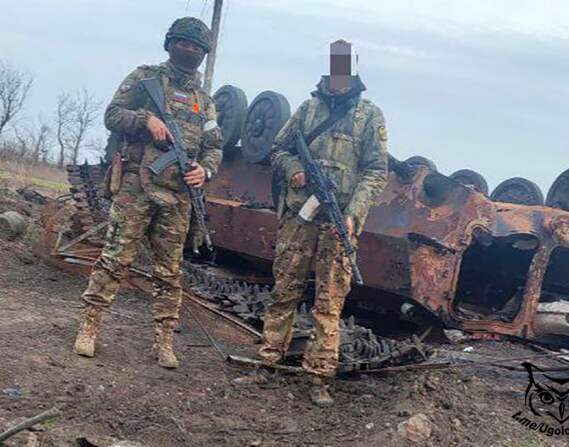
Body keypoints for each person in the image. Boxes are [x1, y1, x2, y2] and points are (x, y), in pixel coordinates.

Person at [234, 40, 388, 406]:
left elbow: (376, 171)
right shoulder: (307, 109)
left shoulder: (369, 116)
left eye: (345, 68)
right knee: (285, 288)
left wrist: (352, 213)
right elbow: (278, 149)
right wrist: (295, 170)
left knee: (329, 300)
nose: (340, 75)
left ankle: (318, 374)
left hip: (339, 220)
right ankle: (268, 362)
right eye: (336, 67)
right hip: (300, 216)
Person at [73, 17, 223, 369]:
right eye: (183, 43)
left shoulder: (205, 101)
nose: (189, 50)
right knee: (114, 259)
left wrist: (205, 170)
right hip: (136, 187)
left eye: (197, 47)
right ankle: (89, 327)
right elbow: (112, 115)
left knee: (169, 271)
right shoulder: (145, 79)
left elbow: (214, 146)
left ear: (204, 53)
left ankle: (164, 340)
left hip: (179, 195)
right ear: (170, 44)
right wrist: (145, 120)